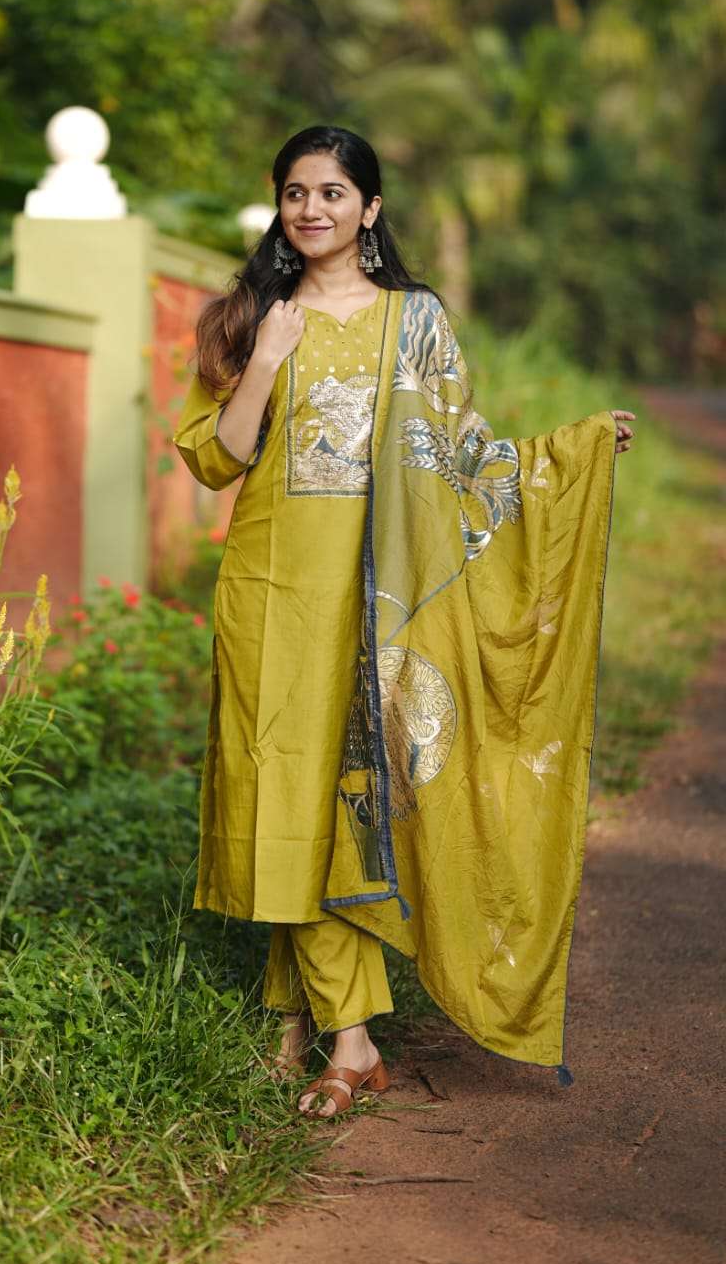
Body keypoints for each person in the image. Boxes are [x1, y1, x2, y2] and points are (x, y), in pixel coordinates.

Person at [171, 125, 635, 1121]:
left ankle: (335, 1035)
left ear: (369, 210)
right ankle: (334, 1031)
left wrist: (572, 452)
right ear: (278, 206)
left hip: (377, 598)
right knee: (283, 786)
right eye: (295, 193)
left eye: (333, 192)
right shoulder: (250, 314)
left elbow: (461, 454)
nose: (312, 209)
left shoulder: (414, 321)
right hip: (269, 590)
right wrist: (266, 356)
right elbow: (218, 457)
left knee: (345, 793)